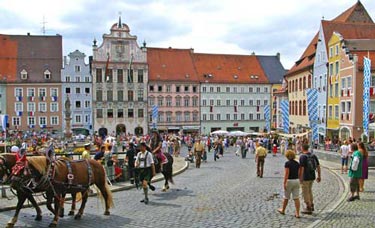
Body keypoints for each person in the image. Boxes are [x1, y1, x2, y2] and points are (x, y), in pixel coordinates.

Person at [277, 150, 301, 218]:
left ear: (287, 156)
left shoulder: (287, 163)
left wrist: (284, 182)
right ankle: (297, 213)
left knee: (286, 197)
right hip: (296, 180)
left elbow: (286, 174)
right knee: (296, 198)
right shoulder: (297, 163)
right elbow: (299, 173)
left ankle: (283, 210)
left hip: (289, 181)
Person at [299, 144, 321, 214]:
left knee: (305, 192)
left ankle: (308, 207)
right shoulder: (313, 155)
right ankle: (311, 204)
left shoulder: (302, 157)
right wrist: (319, 176)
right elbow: (318, 166)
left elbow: (301, 168)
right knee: (309, 191)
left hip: (305, 177)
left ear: (302, 148)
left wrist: (300, 178)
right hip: (312, 176)